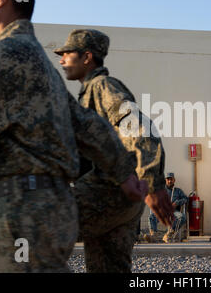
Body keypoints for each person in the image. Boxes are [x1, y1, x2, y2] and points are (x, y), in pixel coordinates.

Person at [0, 0, 148, 273]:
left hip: (23, 212)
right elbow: (88, 125)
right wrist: (124, 174)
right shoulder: (40, 64)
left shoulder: (1, 55)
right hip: (54, 207)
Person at [55, 29, 174, 272]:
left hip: (109, 191)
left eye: (67, 54)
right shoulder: (90, 91)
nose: (61, 60)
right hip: (122, 199)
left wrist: (151, 183)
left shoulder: (103, 87)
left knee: (34, 230)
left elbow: (139, 128)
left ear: (87, 57)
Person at [148, 173, 188, 243]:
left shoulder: (178, 191)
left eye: (171, 179)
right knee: (152, 217)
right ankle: (153, 236)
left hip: (174, 211)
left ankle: (169, 234)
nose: (169, 181)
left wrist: (177, 202)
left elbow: (186, 199)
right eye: (168, 179)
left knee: (182, 217)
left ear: (174, 180)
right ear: (165, 180)